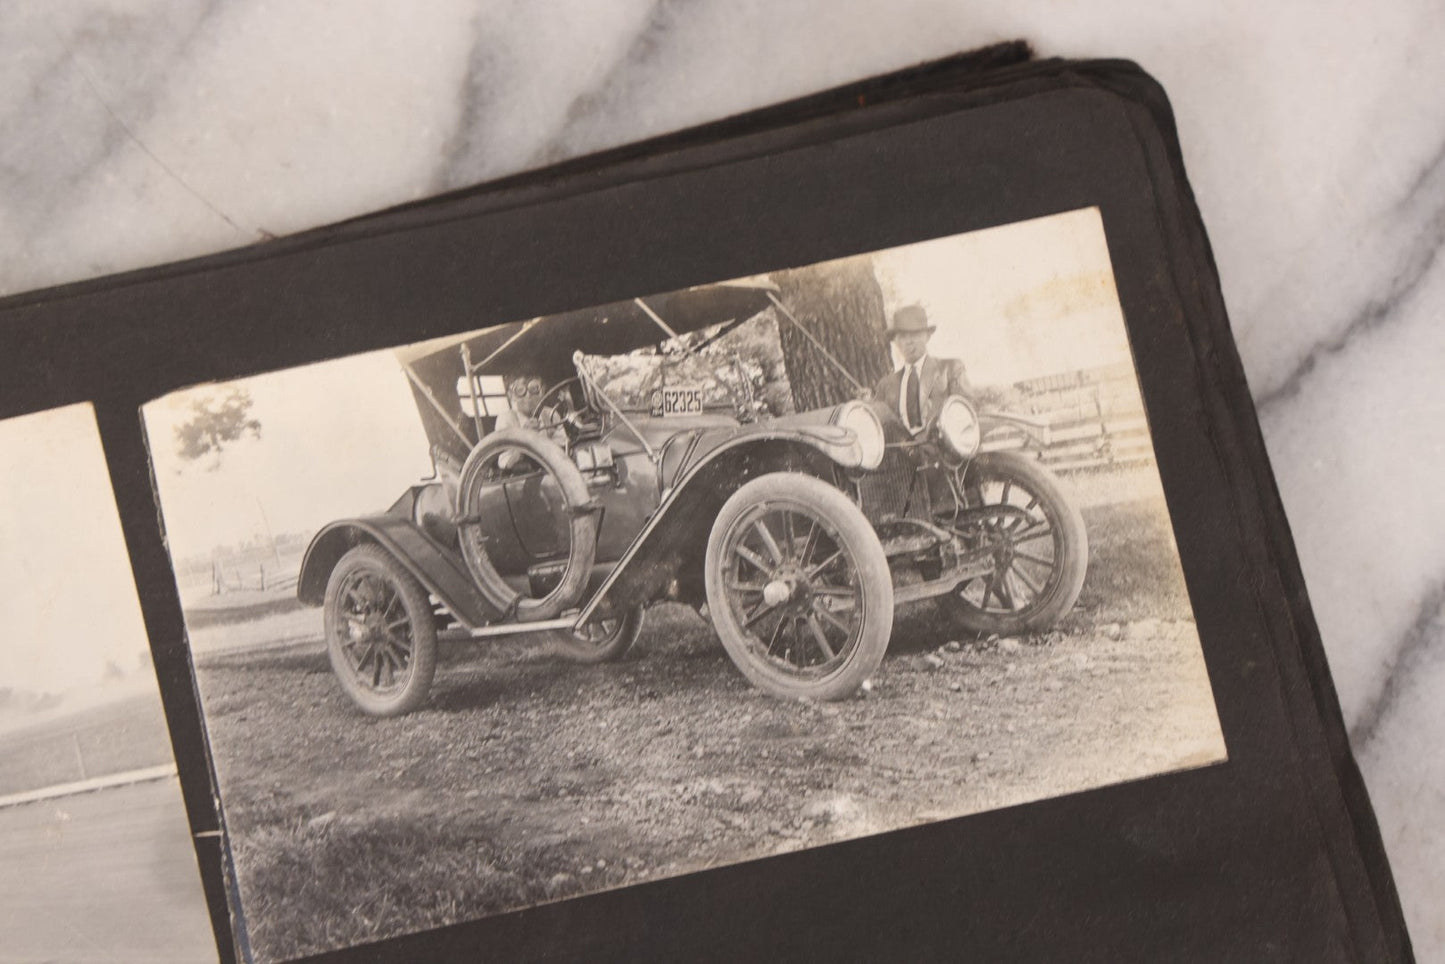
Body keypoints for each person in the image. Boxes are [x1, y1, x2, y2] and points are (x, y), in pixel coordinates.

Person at [874, 304, 973, 434]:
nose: (908, 341)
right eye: (902, 336)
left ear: (927, 336)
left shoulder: (950, 369)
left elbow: (967, 413)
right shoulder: (886, 384)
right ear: (896, 342)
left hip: (942, 450)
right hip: (900, 452)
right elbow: (877, 427)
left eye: (914, 334)